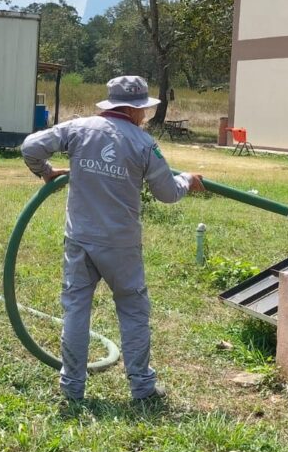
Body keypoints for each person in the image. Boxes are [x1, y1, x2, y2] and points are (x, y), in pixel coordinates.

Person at [21, 76, 205, 404]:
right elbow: (167, 193)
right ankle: (142, 388)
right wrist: (187, 180)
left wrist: (46, 171)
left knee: (76, 310)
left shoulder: (78, 129)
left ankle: (72, 388)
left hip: (80, 238)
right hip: (121, 244)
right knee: (132, 310)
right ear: (134, 110)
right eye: (143, 110)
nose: (144, 116)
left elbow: (30, 147)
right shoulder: (144, 144)